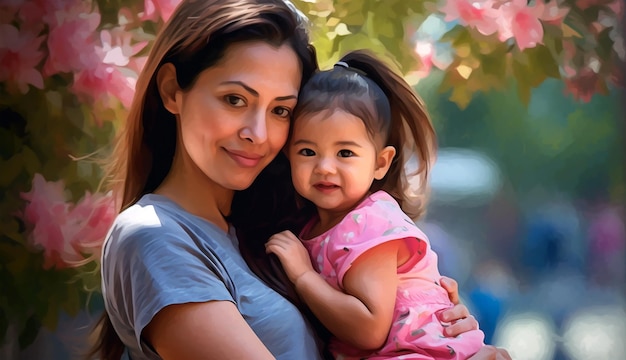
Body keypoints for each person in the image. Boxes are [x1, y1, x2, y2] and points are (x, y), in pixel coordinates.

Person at [87, 0, 510, 359]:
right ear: (171, 91)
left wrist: (427, 326)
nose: (258, 133)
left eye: (281, 110)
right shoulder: (154, 238)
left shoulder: (286, 230)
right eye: (235, 100)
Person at [265, 50, 486, 359]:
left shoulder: (369, 222)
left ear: (380, 163)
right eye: (307, 152)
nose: (325, 167)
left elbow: (370, 329)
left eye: (345, 153)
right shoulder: (308, 226)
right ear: (288, 155)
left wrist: (303, 276)